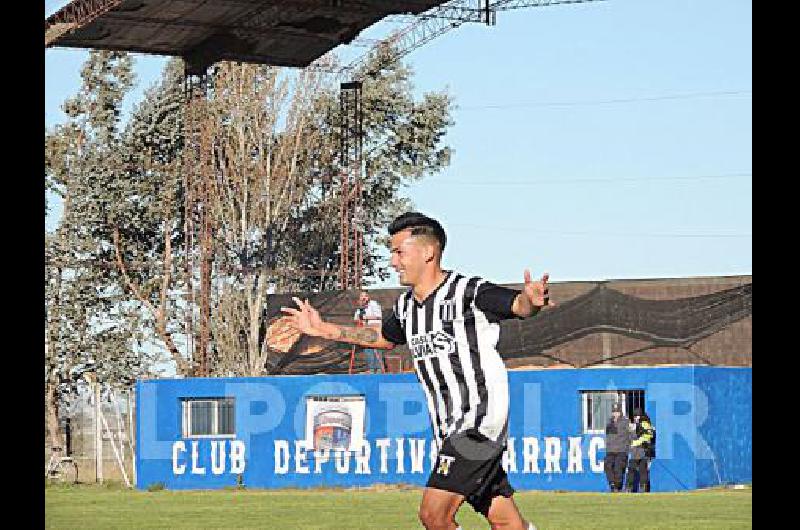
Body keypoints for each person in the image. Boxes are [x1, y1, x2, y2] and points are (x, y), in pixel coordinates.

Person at [282, 212, 549, 530]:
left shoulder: (467, 291)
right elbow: (383, 338)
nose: (393, 262)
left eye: (398, 252)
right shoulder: (406, 307)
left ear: (428, 252)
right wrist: (325, 329)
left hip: (478, 421)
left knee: (434, 515)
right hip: (447, 429)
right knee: (506, 522)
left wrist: (530, 301)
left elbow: (518, 305)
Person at [625, 408, 656, 493]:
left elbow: (648, 435)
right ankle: (633, 488)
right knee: (637, 469)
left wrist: (637, 442)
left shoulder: (644, 424)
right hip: (638, 451)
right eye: (634, 416)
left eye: (637, 416)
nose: (635, 418)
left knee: (638, 469)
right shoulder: (638, 424)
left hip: (643, 450)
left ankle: (638, 488)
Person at [354, 290, 385, 373]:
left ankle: (379, 369)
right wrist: (360, 317)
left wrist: (365, 318)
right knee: (368, 350)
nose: (363, 298)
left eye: (365, 296)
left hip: (375, 330)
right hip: (366, 331)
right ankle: (371, 369)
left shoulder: (373, 304)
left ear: (368, 297)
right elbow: (356, 319)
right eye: (361, 296)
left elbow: (378, 316)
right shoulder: (360, 308)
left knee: (377, 349)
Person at [604, 402, 630, 492]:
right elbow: (608, 435)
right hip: (610, 450)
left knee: (618, 468)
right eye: (614, 412)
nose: (615, 414)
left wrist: (629, 445)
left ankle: (618, 487)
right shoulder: (609, 422)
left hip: (622, 449)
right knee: (607, 466)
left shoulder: (625, 422)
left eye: (617, 412)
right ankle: (612, 484)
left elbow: (630, 434)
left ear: (620, 412)